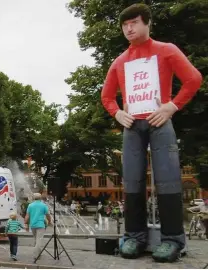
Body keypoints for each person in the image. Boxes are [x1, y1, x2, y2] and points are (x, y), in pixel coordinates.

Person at [101, 3, 202, 262]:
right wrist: (117, 113)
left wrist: (172, 106)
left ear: (147, 23)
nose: (129, 29)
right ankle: (134, 236)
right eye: (124, 25)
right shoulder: (120, 61)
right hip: (132, 125)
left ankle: (172, 240)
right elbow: (107, 96)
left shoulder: (166, 51)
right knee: (132, 180)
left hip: (159, 120)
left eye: (134, 23)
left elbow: (193, 78)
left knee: (168, 179)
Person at [24, 193, 52, 262]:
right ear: (40, 198)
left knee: (36, 240)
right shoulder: (43, 205)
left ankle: (38, 254)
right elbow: (48, 215)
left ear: (34, 198)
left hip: (33, 225)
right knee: (39, 240)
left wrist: (26, 224)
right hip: (40, 225)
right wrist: (50, 221)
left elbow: (27, 216)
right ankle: (36, 255)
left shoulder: (30, 205)